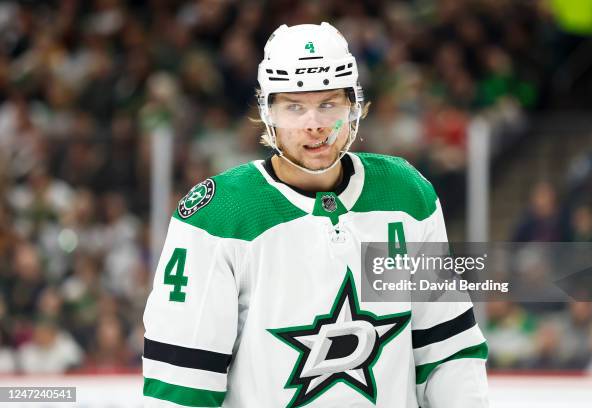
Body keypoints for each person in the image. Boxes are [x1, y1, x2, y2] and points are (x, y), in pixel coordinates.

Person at [142, 22, 488, 407]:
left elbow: (447, 353)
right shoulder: (218, 217)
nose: (314, 124)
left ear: (353, 105)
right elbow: (181, 388)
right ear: (267, 111)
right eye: (294, 106)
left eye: (329, 104)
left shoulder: (405, 197)